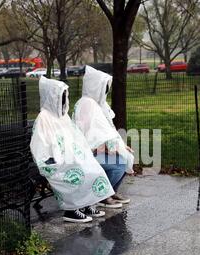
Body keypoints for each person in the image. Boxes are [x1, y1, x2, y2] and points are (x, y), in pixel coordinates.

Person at [30, 76, 115, 223]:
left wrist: (83, 152)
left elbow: (75, 137)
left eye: (64, 97)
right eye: (60, 97)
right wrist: (55, 158)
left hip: (70, 156)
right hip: (54, 160)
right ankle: (70, 210)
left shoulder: (62, 117)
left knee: (92, 167)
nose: (63, 100)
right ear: (52, 97)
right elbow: (40, 145)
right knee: (79, 171)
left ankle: (86, 203)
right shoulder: (44, 118)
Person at [73, 66, 134, 209]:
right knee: (119, 164)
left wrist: (121, 147)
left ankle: (111, 192)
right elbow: (93, 136)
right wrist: (110, 149)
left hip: (96, 150)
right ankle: (103, 195)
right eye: (104, 87)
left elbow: (108, 131)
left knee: (126, 157)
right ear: (96, 86)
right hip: (87, 153)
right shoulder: (87, 104)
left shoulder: (97, 104)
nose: (106, 91)